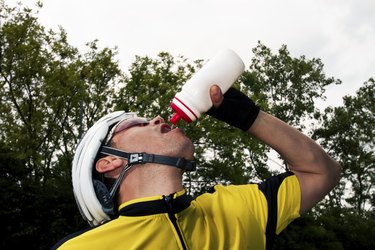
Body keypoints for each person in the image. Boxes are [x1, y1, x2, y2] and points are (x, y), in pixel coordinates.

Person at [52, 86, 341, 250]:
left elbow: (321, 172)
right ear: (110, 162)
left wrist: (249, 116)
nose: (154, 118)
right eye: (134, 124)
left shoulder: (234, 209)